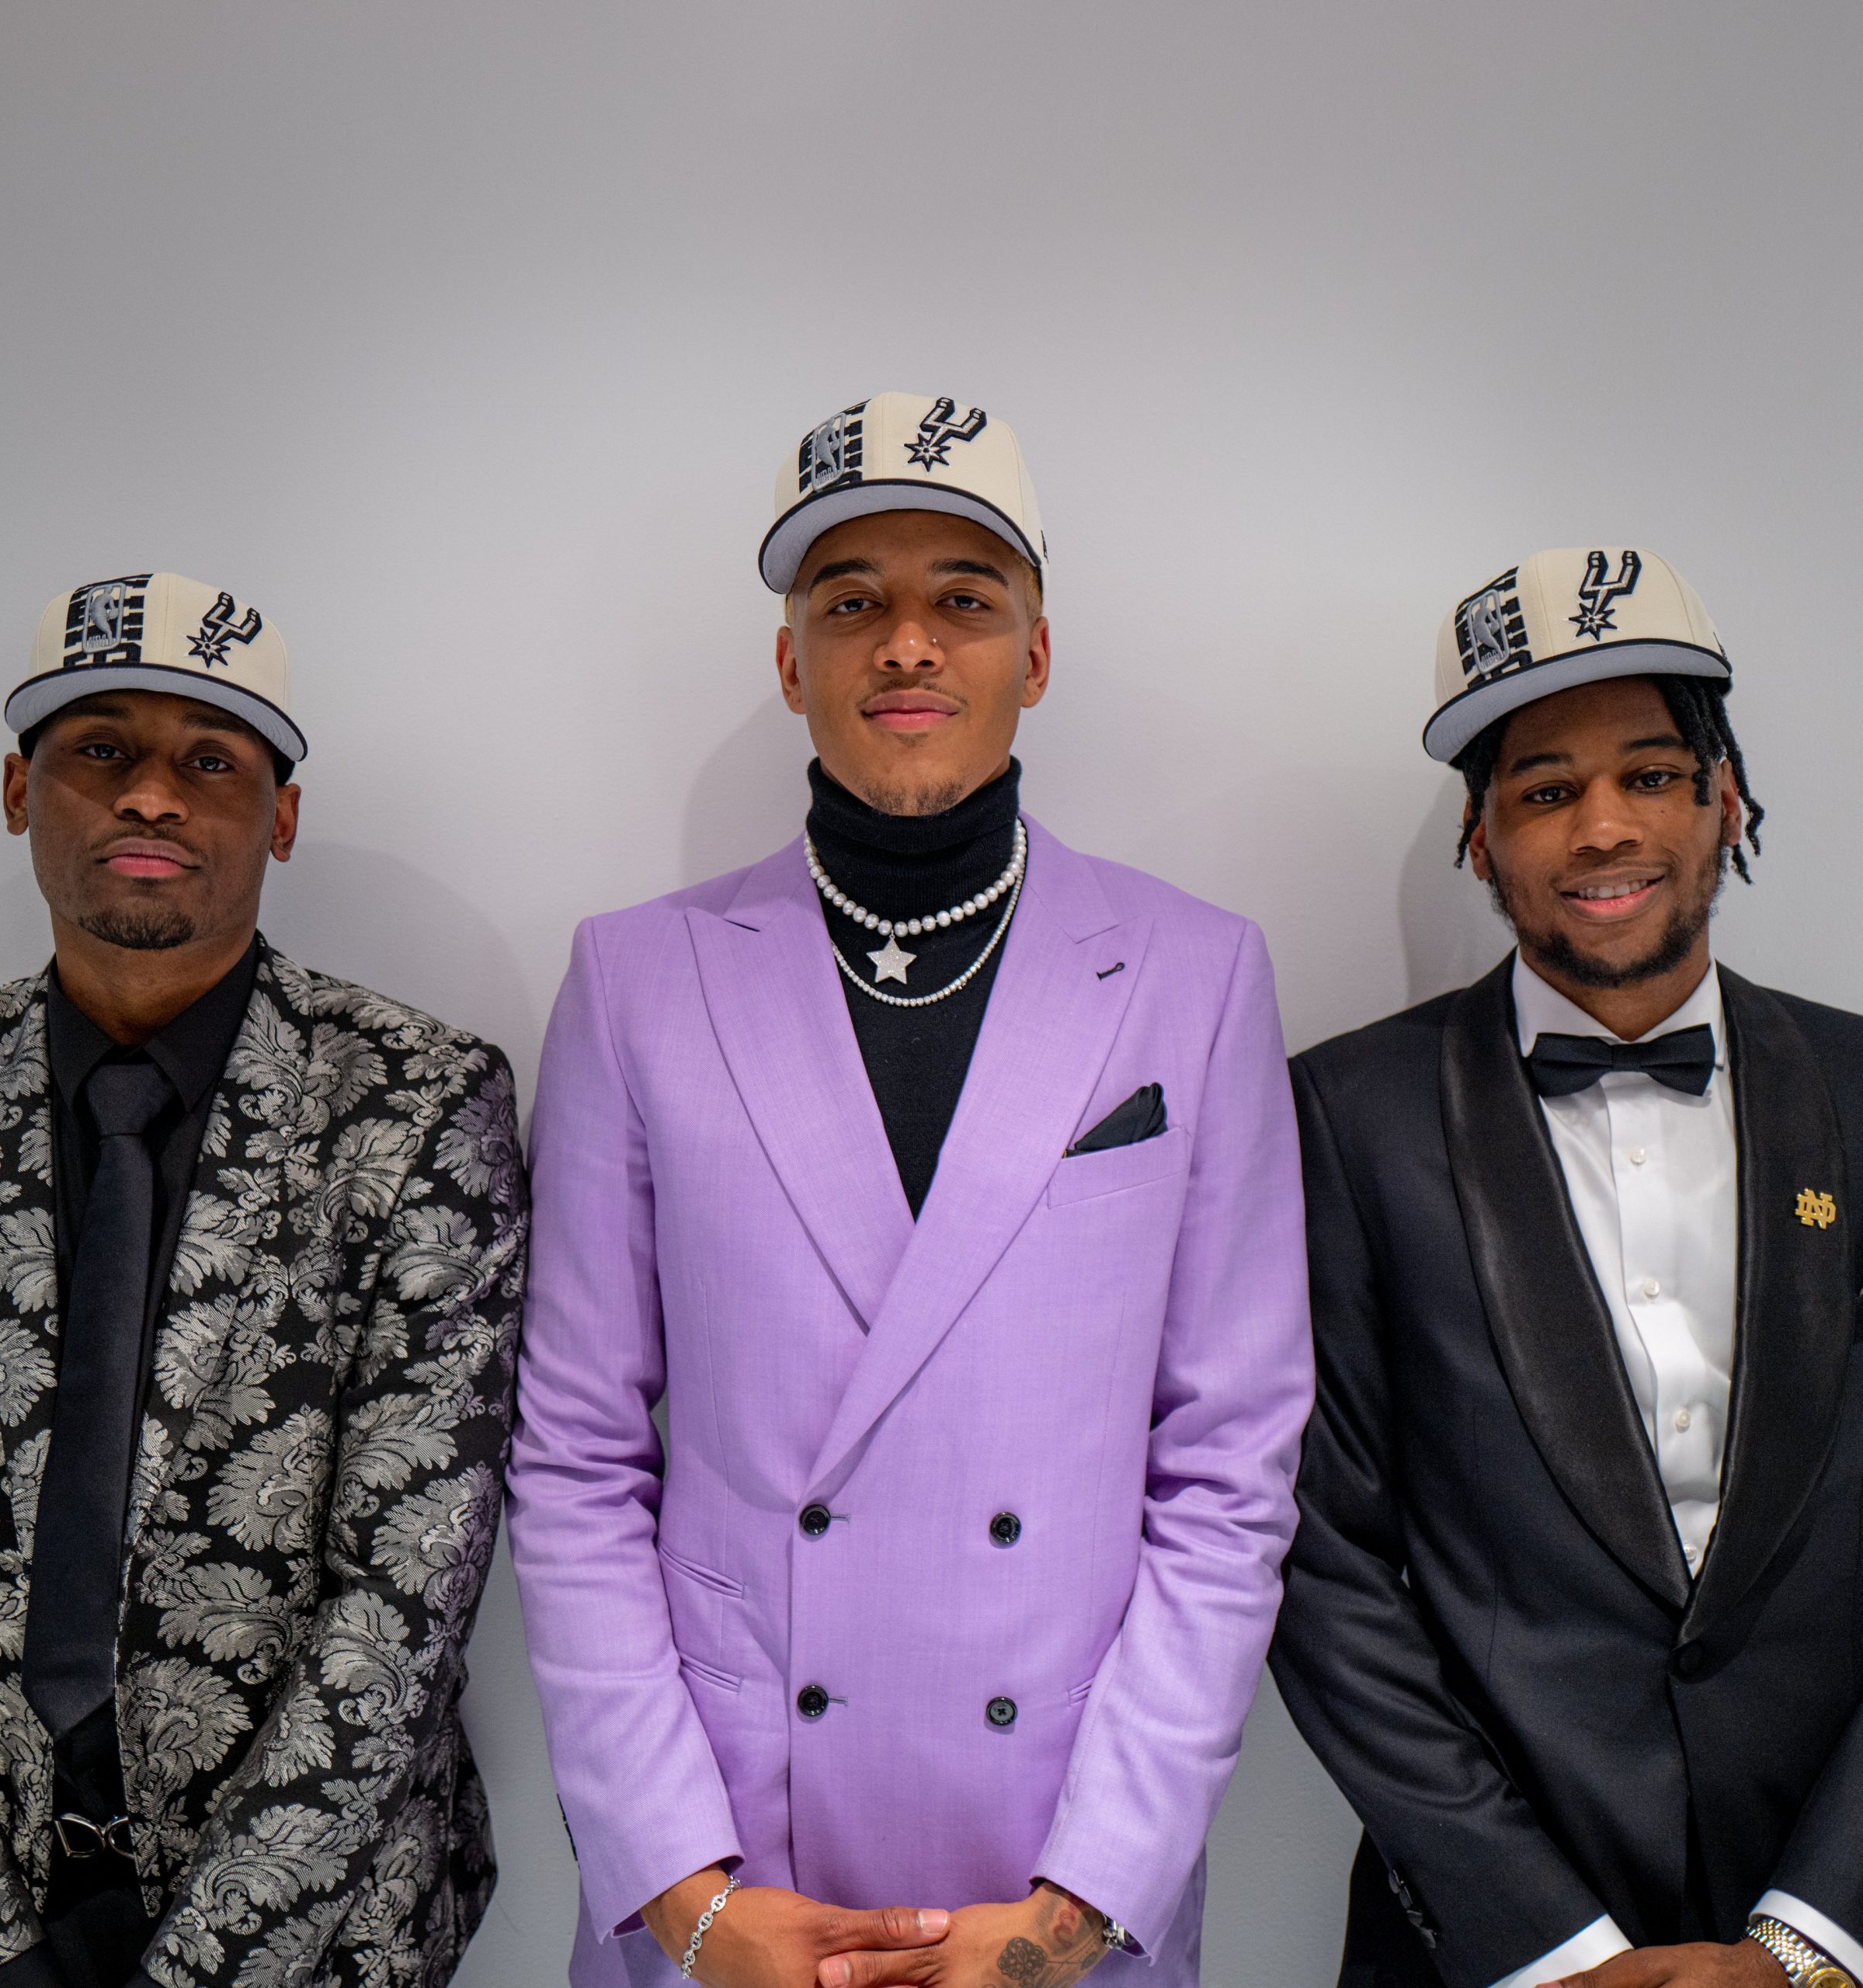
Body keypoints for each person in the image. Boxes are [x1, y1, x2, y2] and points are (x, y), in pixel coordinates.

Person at [506, 391, 1315, 1988]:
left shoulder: (1194, 973)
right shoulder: (638, 977)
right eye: (850, 600)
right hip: (737, 1859)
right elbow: (577, 1457)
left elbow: (1230, 1465)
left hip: (1056, 1859)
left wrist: (1082, 1902)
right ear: (789, 659)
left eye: (963, 597)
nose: (906, 644)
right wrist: (678, 1886)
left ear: (1034, 651)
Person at [0, 573, 529, 1988]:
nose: (150, 796)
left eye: (210, 761)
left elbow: (398, 1615)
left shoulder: (416, 1104)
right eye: (100, 748)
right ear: (18, 790)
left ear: (280, 817)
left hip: (318, 1930)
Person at [1270, 548, 1863, 1988]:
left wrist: (1810, 1933)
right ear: (1481, 840)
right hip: (1489, 1936)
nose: (1604, 827)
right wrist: (1552, 1948)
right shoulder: (1341, 1118)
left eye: (1652, 774)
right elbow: (1316, 1556)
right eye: (1544, 791)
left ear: (1727, 800)